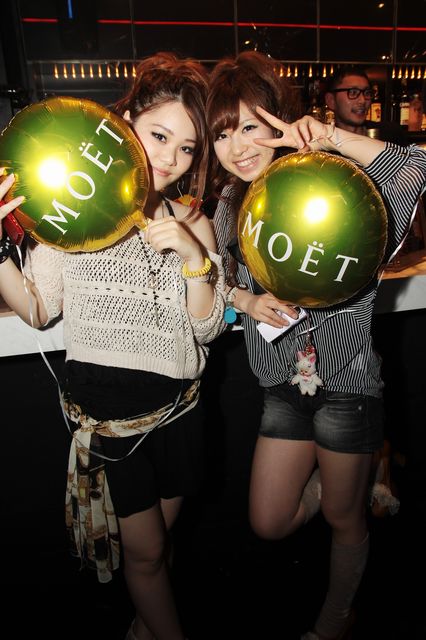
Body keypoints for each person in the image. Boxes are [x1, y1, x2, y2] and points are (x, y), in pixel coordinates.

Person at [0, 52, 226, 640]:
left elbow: (206, 330)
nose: (170, 159)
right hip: (112, 422)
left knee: (161, 547)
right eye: (159, 136)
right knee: (146, 556)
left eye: (187, 148)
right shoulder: (80, 216)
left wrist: (195, 259)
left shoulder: (195, 221)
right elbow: (38, 308)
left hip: (180, 411)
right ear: (124, 124)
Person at [206, 51, 426, 640]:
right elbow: (215, 284)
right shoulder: (231, 205)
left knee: (343, 517)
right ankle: (367, 463)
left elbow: (416, 166)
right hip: (283, 385)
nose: (238, 147)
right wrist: (243, 299)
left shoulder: (338, 183)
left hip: (348, 385)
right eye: (222, 134)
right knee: (269, 521)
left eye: (249, 126)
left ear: (278, 118)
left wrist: (328, 137)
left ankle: (336, 619)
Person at [324, 65, 408, 145]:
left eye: (367, 93)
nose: (363, 100)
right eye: (353, 92)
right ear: (331, 100)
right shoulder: (324, 144)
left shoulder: (390, 135)